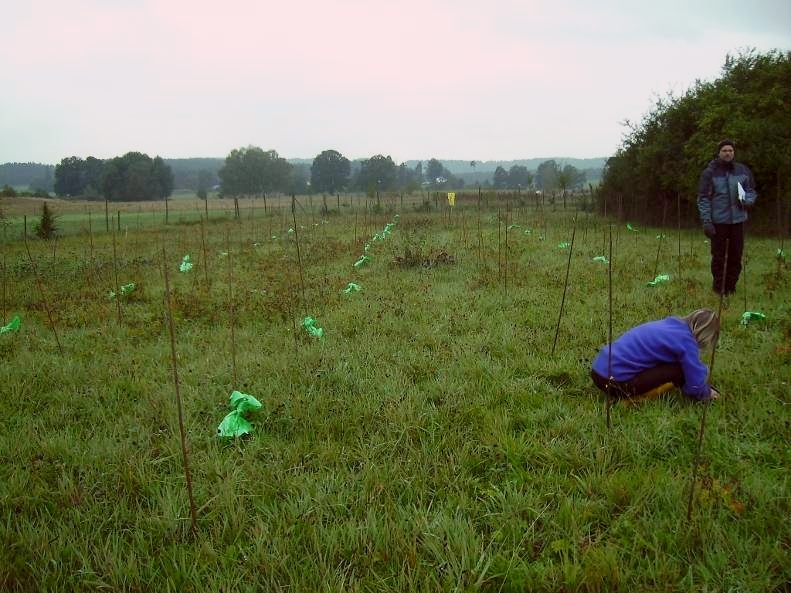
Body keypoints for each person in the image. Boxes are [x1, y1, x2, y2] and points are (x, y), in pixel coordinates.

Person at [591, 309, 720, 402]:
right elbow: (694, 383)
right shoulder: (687, 342)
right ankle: (632, 400)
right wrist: (706, 393)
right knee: (679, 370)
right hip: (615, 381)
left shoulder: (670, 325)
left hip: (598, 370)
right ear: (706, 336)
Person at [697, 139, 757, 295]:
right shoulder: (709, 173)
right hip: (718, 222)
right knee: (718, 257)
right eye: (724, 150)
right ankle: (719, 289)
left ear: (734, 152)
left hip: (738, 221)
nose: (728, 153)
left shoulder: (743, 171)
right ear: (719, 153)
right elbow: (703, 198)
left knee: (736, 256)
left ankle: (731, 288)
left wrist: (747, 201)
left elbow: (751, 191)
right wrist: (707, 221)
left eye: (730, 150)